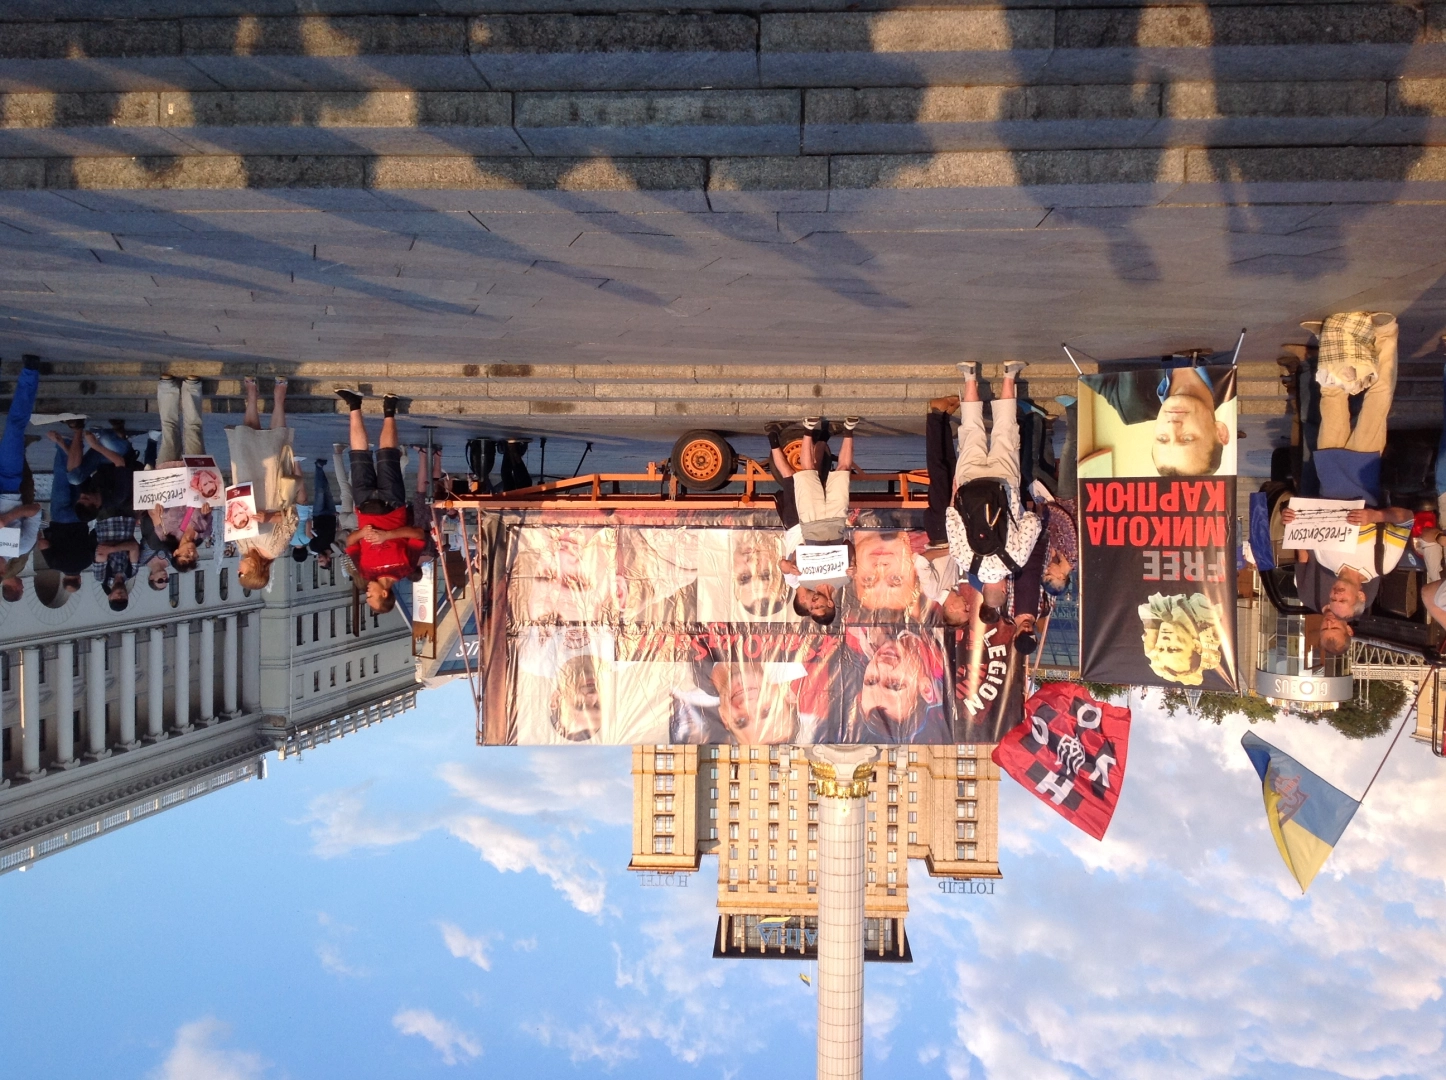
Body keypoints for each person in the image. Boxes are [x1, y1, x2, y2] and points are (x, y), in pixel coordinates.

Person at [1287, 312, 1412, 653]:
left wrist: (1293, 518)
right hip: (1363, 469)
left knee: (1331, 398)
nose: (1335, 596)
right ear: (1360, 598)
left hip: (1329, 472)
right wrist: (1377, 516)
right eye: (1341, 601)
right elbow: (1406, 518)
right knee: (1378, 399)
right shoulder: (1381, 563)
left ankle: (1334, 340)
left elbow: (1306, 527)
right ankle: (1386, 335)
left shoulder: (1327, 561)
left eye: (1332, 600)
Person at [945, 362, 1042, 626]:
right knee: (970, 432)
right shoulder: (964, 561)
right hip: (968, 485)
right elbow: (952, 521)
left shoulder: (1016, 561)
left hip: (1005, 486)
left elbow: (1032, 523)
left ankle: (1009, 373)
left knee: (1005, 431)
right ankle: (969, 375)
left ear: (1003, 590)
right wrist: (955, 494)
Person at [337, 388, 425, 613]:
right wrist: (387, 535)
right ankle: (389, 409)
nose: (367, 592)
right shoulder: (405, 568)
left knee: (358, 456)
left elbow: (350, 543)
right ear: (384, 593)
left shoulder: (365, 571)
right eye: (371, 596)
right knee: (387, 454)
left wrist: (361, 534)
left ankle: (354, 404)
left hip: (364, 506)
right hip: (392, 506)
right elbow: (418, 535)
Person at [1079, 364, 1237, 476]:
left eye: (1162, 438)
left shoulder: (1130, 405)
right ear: (1220, 432)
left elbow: (1083, 362)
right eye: (1187, 438)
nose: (1172, 426)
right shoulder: (1229, 376)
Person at [777, 415, 860, 625]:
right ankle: (849, 430)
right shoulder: (844, 578)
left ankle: (808, 429)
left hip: (811, 522)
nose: (813, 604)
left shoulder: (805, 580)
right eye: (819, 606)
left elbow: (798, 551)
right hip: (835, 521)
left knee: (808, 472)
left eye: (812, 608)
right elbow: (847, 543)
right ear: (830, 603)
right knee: (843, 470)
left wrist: (792, 565)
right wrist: (853, 562)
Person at [227, 377, 301, 591]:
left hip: (246, 491)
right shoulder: (274, 549)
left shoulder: (243, 548)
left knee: (246, 444)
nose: (238, 569)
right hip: (271, 492)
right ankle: (279, 398)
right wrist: (268, 517)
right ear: (254, 571)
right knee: (275, 445)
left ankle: (251, 396)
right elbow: (291, 520)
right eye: (241, 573)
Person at [148, 377, 213, 573]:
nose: (190, 553)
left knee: (169, 430)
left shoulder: (164, 534)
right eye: (193, 557)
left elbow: (152, 512)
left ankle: (167, 388)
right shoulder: (204, 532)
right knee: (194, 430)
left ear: (176, 553)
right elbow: (209, 506)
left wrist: (156, 508)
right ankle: (192, 388)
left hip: (168, 476)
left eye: (185, 555)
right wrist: (207, 508)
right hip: (196, 476)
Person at [843, 627, 950, 743]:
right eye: (895, 684)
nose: (883, 666)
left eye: (871, 681)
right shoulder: (948, 649)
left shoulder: (860, 638)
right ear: (926, 689)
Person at [0, 355, 43, 600]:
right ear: (2, 571)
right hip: (8, 485)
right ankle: (30, 371)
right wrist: (7, 518)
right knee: (15, 429)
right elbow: (35, 510)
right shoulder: (20, 547)